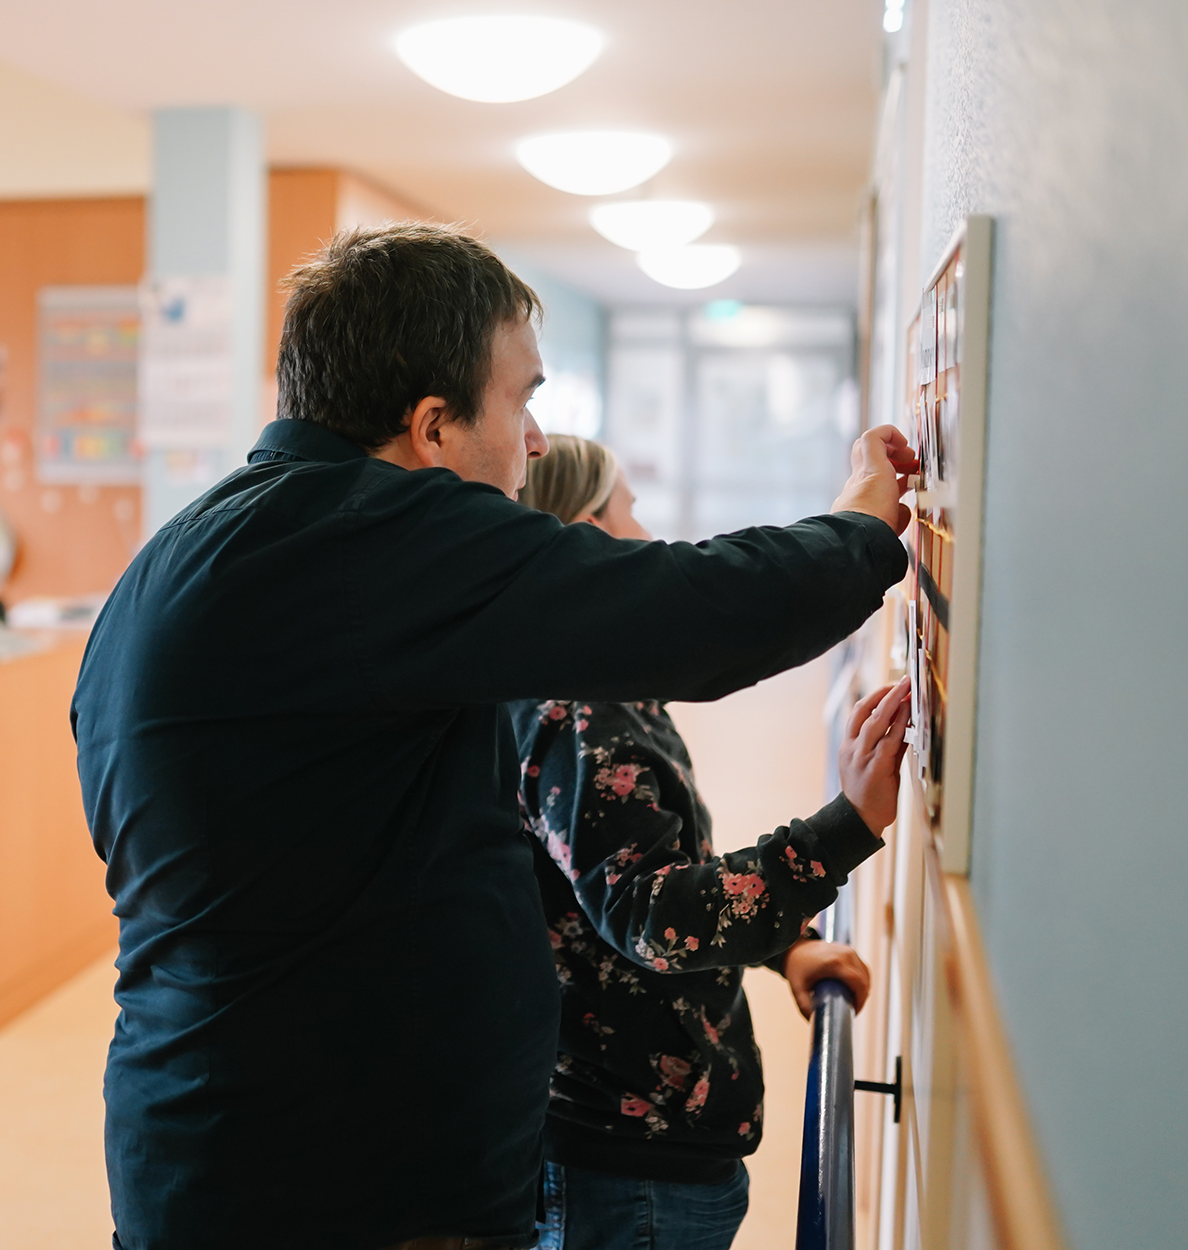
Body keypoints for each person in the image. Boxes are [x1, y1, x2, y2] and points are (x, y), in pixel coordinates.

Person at [72, 223, 917, 1250]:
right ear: (431, 428)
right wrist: (861, 529)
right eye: (521, 400)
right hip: (328, 1191)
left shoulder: (188, 551)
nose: (532, 442)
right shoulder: (372, 536)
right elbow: (680, 613)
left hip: (224, 1141)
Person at [512, 437, 909, 1250]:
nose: (647, 529)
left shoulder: (601, 683)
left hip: (642, 1153)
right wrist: (847, 827)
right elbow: (657, 913)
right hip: (628, 1170)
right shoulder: (586, 705)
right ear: (590, 531)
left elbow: (637, 868)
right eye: (629, 507)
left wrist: (787, 946)